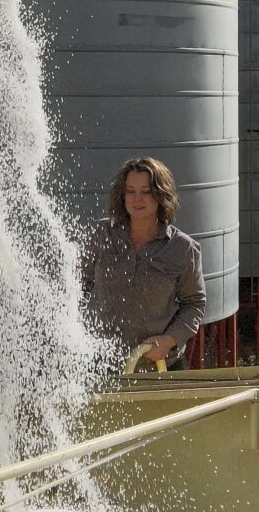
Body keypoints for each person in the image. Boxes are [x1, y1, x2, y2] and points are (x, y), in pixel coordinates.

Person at [83, 157, 207, 368]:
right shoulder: (102, 235)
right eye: (130, 191)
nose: (137, 198)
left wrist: (170, 340)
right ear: (122, 196)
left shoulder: (183, 248)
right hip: (103, 366)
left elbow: (194, 304)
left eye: (146, 191)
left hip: (160, 367)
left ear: (161, 195)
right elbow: (78, 285)